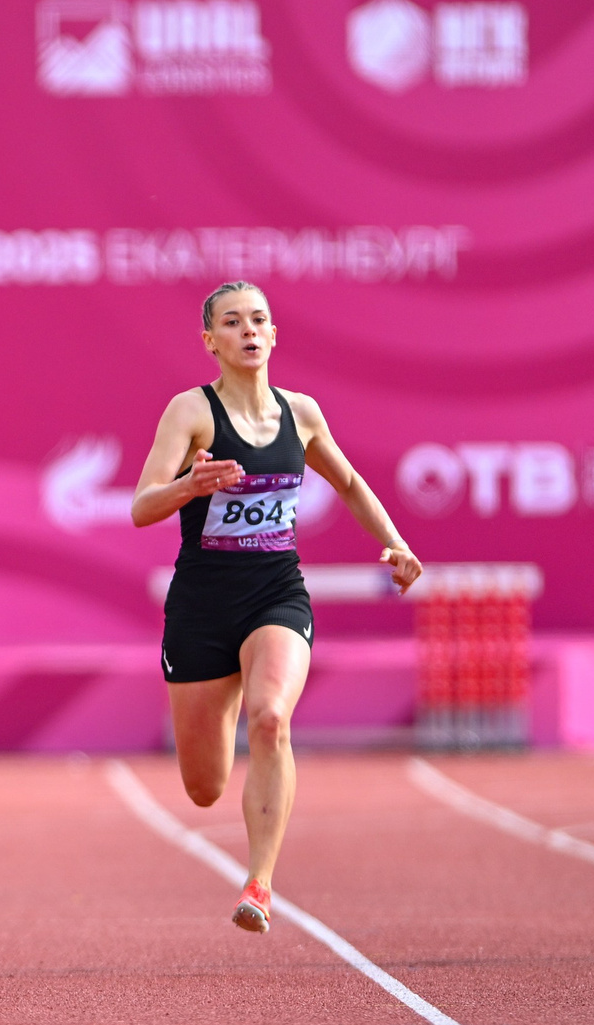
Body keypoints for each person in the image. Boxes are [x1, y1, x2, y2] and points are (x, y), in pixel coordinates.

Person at [131, 281, 422, 932]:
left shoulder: (303, 413)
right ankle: (227, 683)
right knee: (204, 787)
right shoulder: (192, 414)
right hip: (203, 606)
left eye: (259, 320)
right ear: (211, 341)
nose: (249, 331)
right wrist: (190, 484)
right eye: (232, 323)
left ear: (274, 334)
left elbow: (347, 481)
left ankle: (259, 884)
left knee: (269, 721)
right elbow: (140, 507)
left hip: (275, 593)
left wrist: (396, 544)